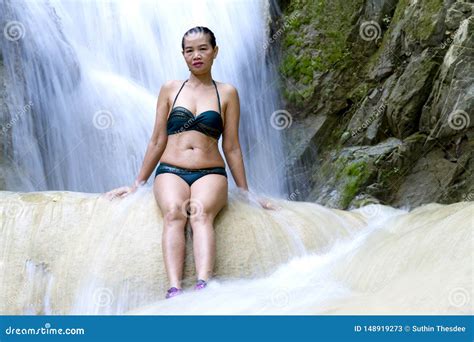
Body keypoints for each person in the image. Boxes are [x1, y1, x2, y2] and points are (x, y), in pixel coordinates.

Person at [105, 26, 276, 299]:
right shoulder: (170, 89)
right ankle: (174, 288)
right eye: (189, 50)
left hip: (211, 172)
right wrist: (137, 183)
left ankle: (203, 285)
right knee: (174, 212)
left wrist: (246, 192)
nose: (196, 55)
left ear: (215, 52)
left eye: (202, 49)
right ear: (183, 55)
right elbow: (157, 140)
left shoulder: (228, 93)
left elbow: (231, 146)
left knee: (199, 213)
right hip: (171, 170)